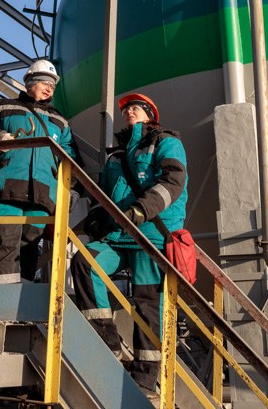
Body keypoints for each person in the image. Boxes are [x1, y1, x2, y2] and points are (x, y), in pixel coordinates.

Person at [71, 92, 188, 395]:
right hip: (119, 235)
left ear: (150, 115)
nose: (129, 112)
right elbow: (104, 196)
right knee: (84, 263)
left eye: (135, 108)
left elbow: (173, 182)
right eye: (126, 110)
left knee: (148, 304)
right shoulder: (116, 157)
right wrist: (96, 219)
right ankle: (107, 342)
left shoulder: (166, 143)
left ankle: (145, 378)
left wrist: (141, 210)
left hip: (150, 237)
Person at [0, 59, 79, 283]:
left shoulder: (60, 122)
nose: (49, 88)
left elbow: (70, 159)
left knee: (29, 249)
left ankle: (21, 300)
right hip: (4, 187)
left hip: (42, 195)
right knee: (5, 244)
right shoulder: (2, 107)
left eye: (52, 85)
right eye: (44, 82)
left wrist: (71, 189)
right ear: (30, 83)